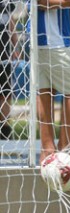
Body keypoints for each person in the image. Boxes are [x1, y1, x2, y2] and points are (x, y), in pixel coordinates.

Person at [31, 0, 70, 186]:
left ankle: (47, 151)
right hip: (51, 40)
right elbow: (42, 2)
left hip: (46, 38)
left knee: (45, 90)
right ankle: (65, 151)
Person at [0, 0, 17, 140]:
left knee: (5, 92)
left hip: (3, 53)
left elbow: (10, 20)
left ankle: (4, 130)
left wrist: (15, 44)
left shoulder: (6, 3)